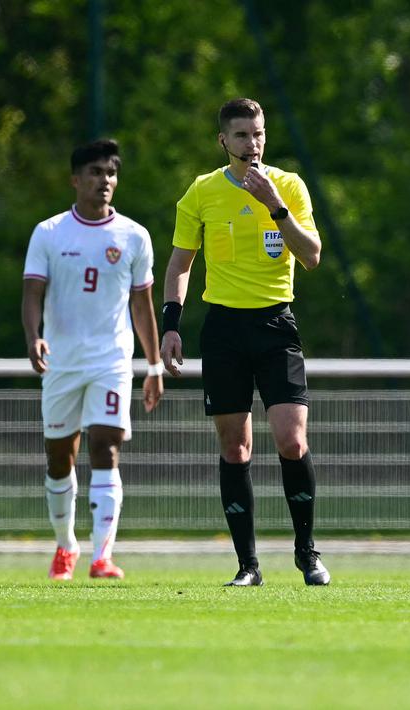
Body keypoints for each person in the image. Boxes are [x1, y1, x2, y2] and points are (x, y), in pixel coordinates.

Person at [161, 98, 328, 587]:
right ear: (223, 141)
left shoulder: (289, 186)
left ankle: (307, 554)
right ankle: (248, 566)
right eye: (241, 135)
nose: (251, 143)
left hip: (276, 325)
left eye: (258, 134)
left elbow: (312, 256)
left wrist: (275, 207)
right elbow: (180, 264)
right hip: (225, 331)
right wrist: (171, 324)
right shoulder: (203, 191)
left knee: (292, 440)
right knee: (235, 448)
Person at [21, 139, 163, 581]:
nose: (105, 180)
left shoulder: (134, 236)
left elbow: (142, 305)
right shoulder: (49, 232)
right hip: (61, 363)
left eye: (111, 173)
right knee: (59, 458)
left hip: (111, 360)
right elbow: (32, 293)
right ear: (76, 180)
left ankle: (103, 556)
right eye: (96, 172)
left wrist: (153, 365)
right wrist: (34, 337)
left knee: (106, 446)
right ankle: (66, 546)